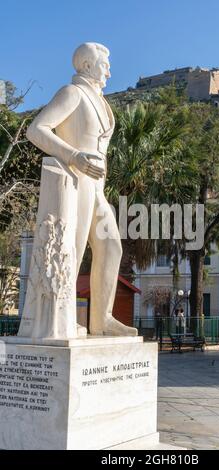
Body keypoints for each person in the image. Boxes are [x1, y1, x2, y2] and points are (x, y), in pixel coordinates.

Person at [18, 43, 137, 339]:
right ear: (86, 65)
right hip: (76, 179)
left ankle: (102, 320)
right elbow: (37, 129)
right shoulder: (72, 93)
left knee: (111, 246)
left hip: (97, 186)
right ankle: (63, 317)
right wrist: (74, 156)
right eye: (104, 64)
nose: (109, 70)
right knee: (71, 248)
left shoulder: (99, 100)